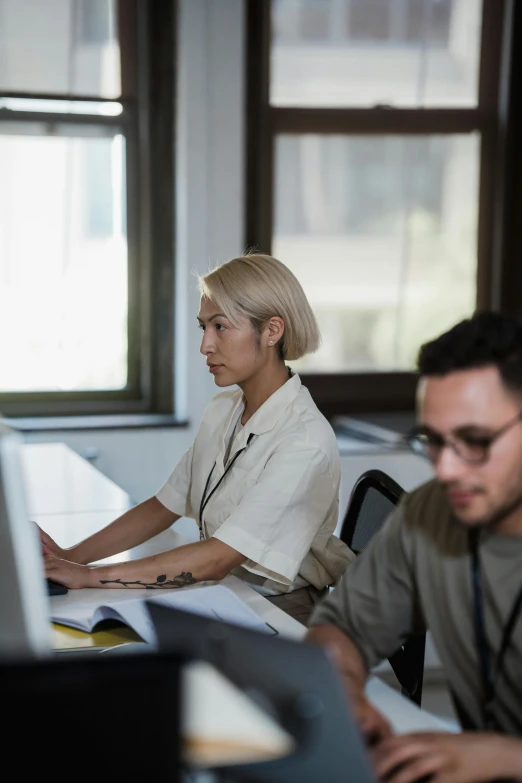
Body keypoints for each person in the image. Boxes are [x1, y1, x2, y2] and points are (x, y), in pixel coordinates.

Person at [39, 253, 353, 623]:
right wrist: (68, 558)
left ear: (272, 331)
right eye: (203, 327)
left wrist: (90, 577)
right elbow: (162, 507)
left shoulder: (304, 443)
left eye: (220, 327)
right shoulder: (225, 409)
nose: (205, 345)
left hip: (280, 613)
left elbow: (218, 557)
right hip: (223, 594)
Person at [306, 311, 522, 782]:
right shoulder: (431, 513)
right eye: (433, 441)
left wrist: (505, 757)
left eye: (475, 441)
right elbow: (340, 628)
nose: (445, 470)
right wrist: (349, 695)